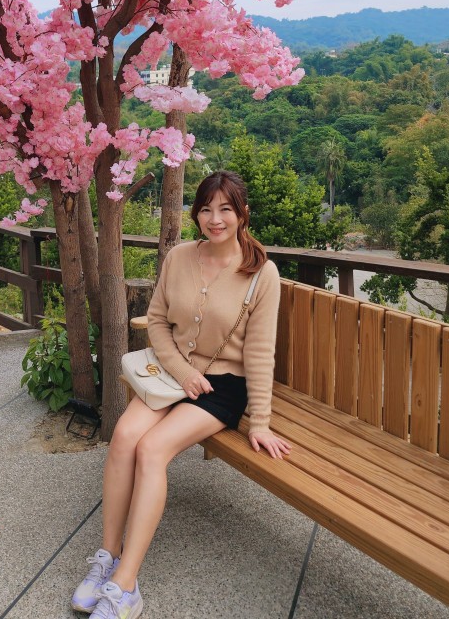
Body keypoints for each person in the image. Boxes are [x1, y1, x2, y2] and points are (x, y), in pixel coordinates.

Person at [72, 170, 292, 619]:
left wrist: (263, 422)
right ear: (196, 214)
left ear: (242, 214)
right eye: (206, 209)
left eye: (226, 209)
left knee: (152, 449)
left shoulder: (261, 273)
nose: (215, 219)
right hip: (172, 377)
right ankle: (106, 557)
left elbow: (261, 352)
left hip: (224, 387)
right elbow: (156, 321)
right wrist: (182, 370)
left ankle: (126, 584)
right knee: (123, 439)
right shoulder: (179, 256)